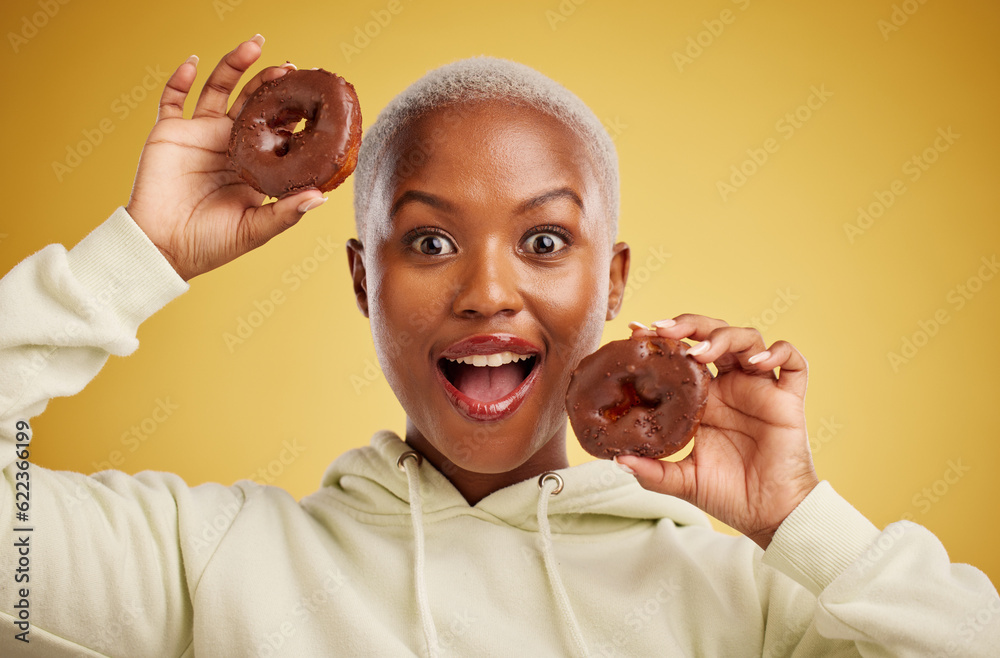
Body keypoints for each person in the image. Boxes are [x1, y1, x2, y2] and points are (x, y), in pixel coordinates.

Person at [1, 35, 997, 657]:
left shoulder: (754, 602)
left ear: (610, 283)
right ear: (364, 280)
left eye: (546, 241)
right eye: (429, 240)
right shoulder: (199, 564)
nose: (486, 292)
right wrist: (131, 261)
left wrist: (797, 518)